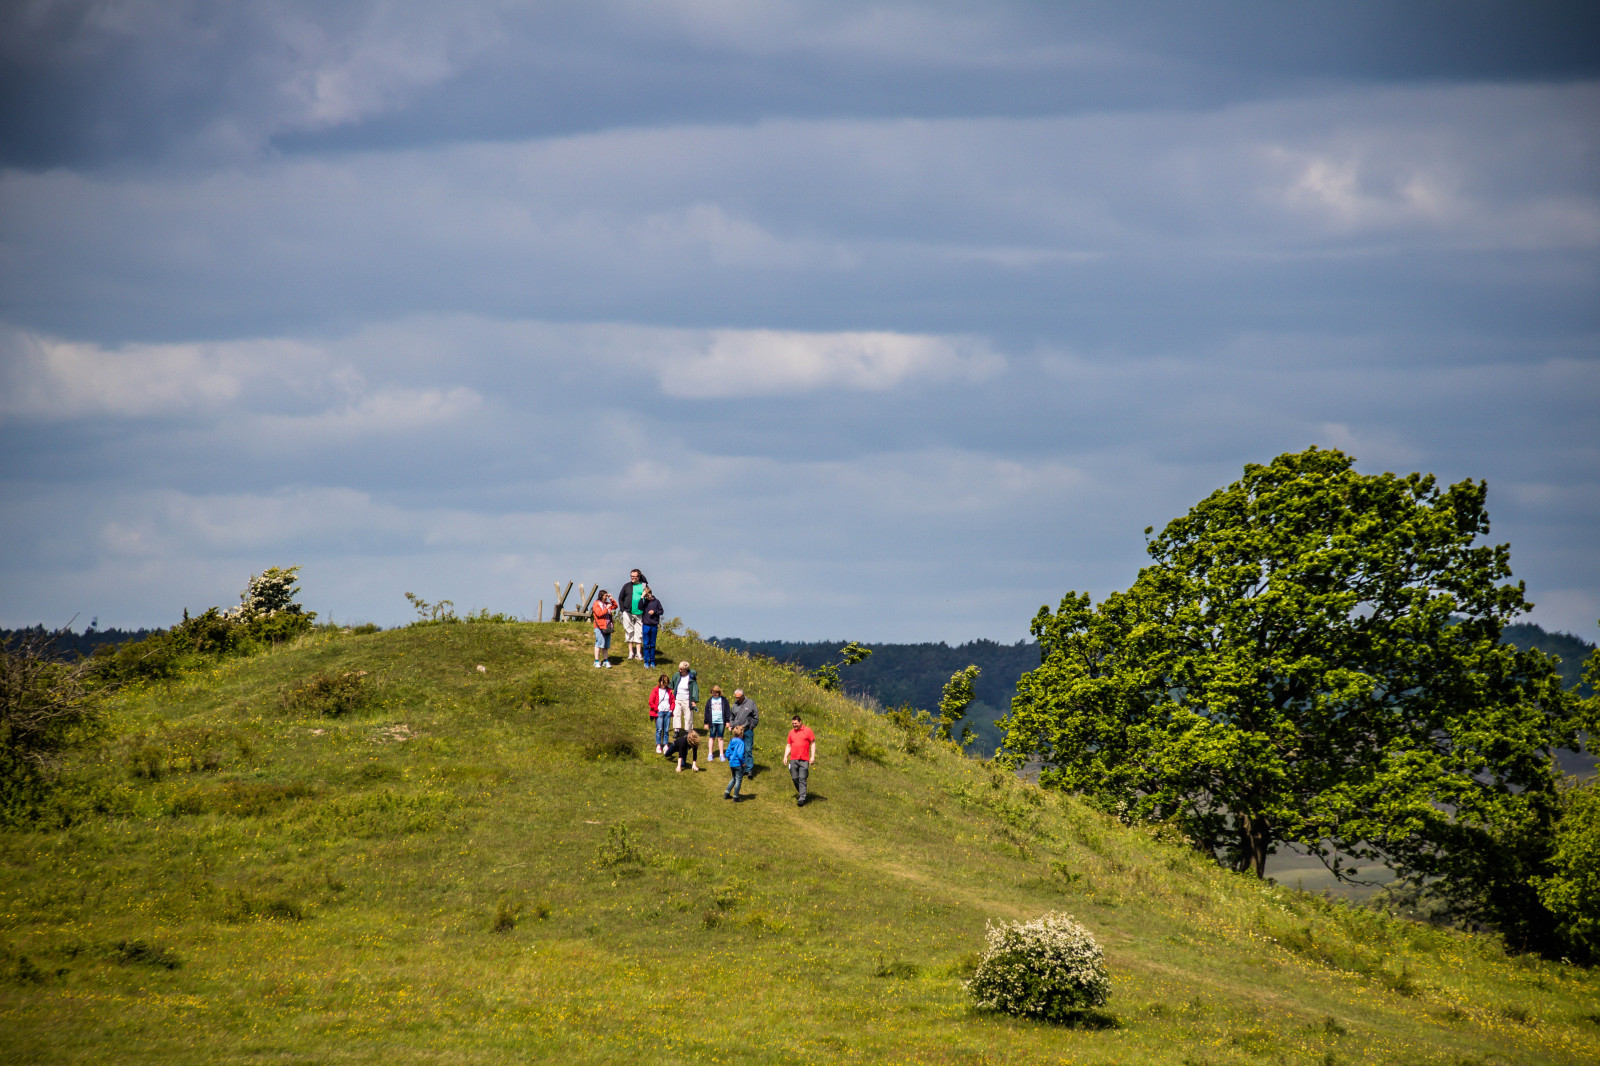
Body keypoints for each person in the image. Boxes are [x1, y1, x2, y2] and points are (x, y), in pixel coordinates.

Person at [784, 713, 817, 807]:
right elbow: (788, 745)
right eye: (793, 724)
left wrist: (812, 757)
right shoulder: (791, 733)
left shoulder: (808, 731)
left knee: (802, 778)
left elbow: (813, 743)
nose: (794, 725)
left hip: (804, 760)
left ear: (800, 722)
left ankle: (802, 798)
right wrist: (785, 756)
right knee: (795, 778)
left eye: (796, 723)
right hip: (793, 759)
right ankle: (803, 792)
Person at [617, 568, 649, 662]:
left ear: (639, 577)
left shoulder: (644, 586)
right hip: (628, 612)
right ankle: (631, 652)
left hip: (640, 612)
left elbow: (648, 597)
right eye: (631, 576)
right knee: (629, 631)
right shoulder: (626, 586)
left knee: (639, 632)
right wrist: (623, 610)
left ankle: (638, 653)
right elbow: (620, 598)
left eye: (634, 576)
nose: (632, 578)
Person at [729, 689, 758, 779]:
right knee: (738, 750)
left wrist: (751, 726)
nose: (737, 699)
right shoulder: (735, 705)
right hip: (737, 732)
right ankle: (740, 768)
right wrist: (732, 725)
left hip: (747, 730)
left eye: (739, 697)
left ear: (743, 695)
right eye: (736, 697)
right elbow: (731, 717)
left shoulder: (750, 703)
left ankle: (749, 770)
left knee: (748, 749)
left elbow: (755, 717)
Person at [703, 685, 730, 761]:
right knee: (712, 737)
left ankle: (721, 754)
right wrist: (706, 723)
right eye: (713, 693)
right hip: (712, 722)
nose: (714, 694)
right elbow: (706, 712)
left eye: (716, 692)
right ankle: (710, 754)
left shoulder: (724, 700)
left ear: (719, 692)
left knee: (720, 738)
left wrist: (728, 721)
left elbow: (727, 711)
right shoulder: (709, 701)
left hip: (721, 722)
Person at [649, 673, 675, 754]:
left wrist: (671, 709)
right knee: (659, 729)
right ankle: (658, 745)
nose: (664, 684)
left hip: (667, 712)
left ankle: (665, 744)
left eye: (665, 683)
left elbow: (673, 701)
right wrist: (656, 709)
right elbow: (651, 701)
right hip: (659, 712)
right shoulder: (655, 690)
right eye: (663, 682)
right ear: (659, 682)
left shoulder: (669, 691)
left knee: (666, 730)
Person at [591, 590, 617, 668]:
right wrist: (606, 608)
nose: (606, 597)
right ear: (601, 596)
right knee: (599, 644)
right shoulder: (596, 604)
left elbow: (615, 606)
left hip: (607, 627)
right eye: (605, 596)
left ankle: (606, 660)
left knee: (606, 645)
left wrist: (611, 599)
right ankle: (596, 661)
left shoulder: (606, 603)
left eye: (607, 596)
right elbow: (599, 614)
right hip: (600, 627)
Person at [640, 586, 665, 668]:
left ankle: (652, 661)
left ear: (651, 594)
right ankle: (646, 662)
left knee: (652, 645)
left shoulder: (657, 602)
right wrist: (642, 597)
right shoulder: (644, 602)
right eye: (645, 596)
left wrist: (654, 612)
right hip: (646, 625)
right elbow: (639, 607)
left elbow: (661, 611)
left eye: (648, 595)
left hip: (654, 625)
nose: (647, 597)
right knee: (646, 644)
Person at [671, 661, 698, 734]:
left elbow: (695, 689)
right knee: (676, 714)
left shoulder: (691, 678)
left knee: (688, 716)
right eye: (679, 669)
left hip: (687, 700)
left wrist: (694, 700)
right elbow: (671, 685)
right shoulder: (677, 676)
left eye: (682, 669)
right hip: (677, 699)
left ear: (686, 670)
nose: (680, 670)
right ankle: (676, 731)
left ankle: (687, 732)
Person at [723, 725, 748, 800]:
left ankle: (727, 793)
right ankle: (736, 796)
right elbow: (740, 754)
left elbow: (727, 752)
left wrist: (730, 759)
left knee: (734, 778)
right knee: (738, 780)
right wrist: (743, 763)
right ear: (741, 734)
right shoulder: (741, 742)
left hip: (732, 763)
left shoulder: (732, 741)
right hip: (738, 763)